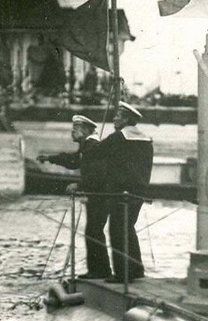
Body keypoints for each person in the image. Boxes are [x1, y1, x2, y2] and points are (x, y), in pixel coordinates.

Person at [38, 115, 110, 278]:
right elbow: (73, 160)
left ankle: (100, 271)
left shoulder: (93, 147)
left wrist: (78, 185)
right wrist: (50, 158)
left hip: (100, 196)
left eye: (75, 129)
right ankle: (97, 270)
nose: (72, 132)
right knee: (93, 231)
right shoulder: (87, 147)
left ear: (85, 130)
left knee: (94, 231)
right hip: (95, 196)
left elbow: (97, 174)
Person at [96, 101, 153, 283]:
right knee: (129, 227)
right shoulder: (146, 138)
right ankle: (136, 268)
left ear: (126, 119)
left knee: (117, 229)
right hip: (138, 191)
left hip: (120, 191)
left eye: (118, 116)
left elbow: (97, 152)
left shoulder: (118, 137)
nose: (114, 118)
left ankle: (122, 273)